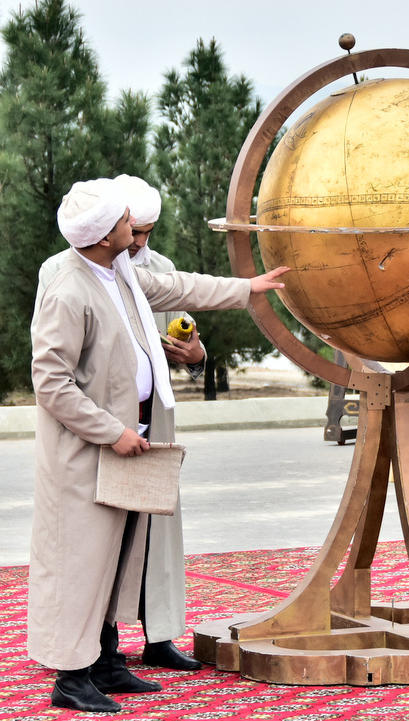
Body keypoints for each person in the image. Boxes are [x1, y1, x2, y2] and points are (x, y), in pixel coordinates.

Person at [28, 177, 289, 713]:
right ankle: (70, 679)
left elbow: (184, 288)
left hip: (131, 440)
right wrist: (113, 431)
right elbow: (51, 382)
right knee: (80, 563)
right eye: (127, 222)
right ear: (105, 234)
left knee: (116, 558)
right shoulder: (70, 288)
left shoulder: (117, 273)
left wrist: (250, 288)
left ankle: (103, 664)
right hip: (91, 450)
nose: (137, 230)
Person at [32, 175, 206, 673]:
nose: (143, 241)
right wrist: (107, 425)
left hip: (154, 423)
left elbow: (189, 326)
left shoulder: (156, 268)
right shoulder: (63, 274)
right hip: (102, 426)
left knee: (152, 535)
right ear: (112, 228)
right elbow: (56, 367)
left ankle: (156, 636)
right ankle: (93, 654)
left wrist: (195, 354)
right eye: (136, 228)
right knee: (92, 541)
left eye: (150, 231)